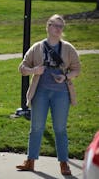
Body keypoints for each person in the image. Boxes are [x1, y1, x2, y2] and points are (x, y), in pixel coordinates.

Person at [16, 14, 81, 176]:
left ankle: (64, 163)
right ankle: (30, 161)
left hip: (61, 93)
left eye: (61, 26)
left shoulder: (68, 48)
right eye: (55, 25)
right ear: (48, 27)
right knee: (36, 127)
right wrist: (34, 71)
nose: (58, 29)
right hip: (41, 92)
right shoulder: (37, 47)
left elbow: (77, 69)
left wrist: (65, 77)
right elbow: (22, 68)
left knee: (60, 128)